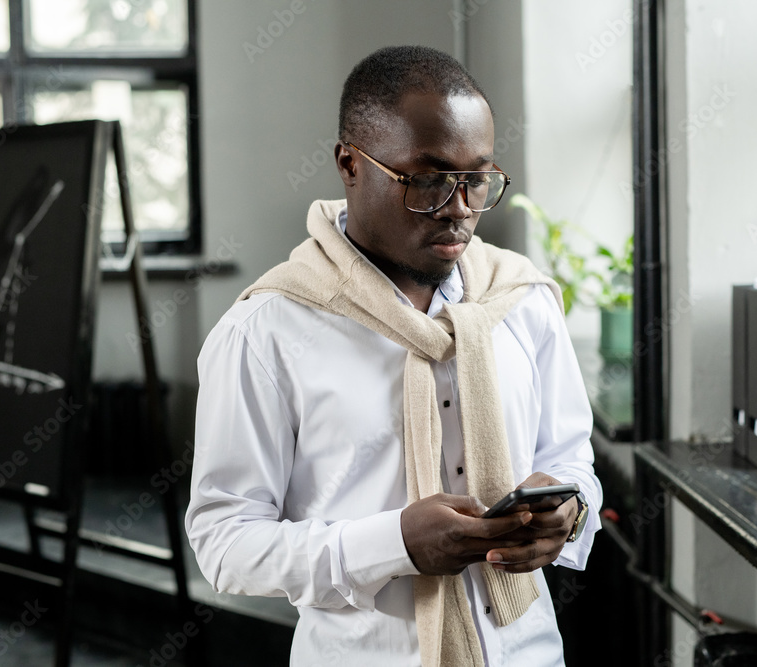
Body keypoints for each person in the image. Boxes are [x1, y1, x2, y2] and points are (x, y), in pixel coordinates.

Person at [185, 45, 602, 667]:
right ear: (350, 164)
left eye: (477, 180)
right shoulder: (265, 332)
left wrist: (568, 512)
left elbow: (571, 461)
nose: (459, 208)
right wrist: (393, 544)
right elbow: (224, 544)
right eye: (429, 180)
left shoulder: (522, 301)